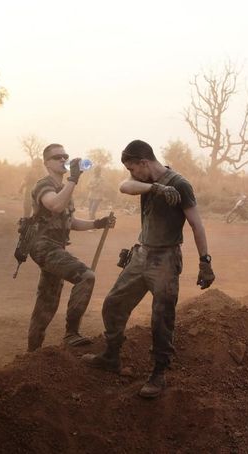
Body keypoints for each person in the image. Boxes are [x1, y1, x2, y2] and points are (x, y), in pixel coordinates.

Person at [82, 139, 216, 399]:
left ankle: (159, 373)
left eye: (133, 168)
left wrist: (205, 261)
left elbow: (196, 225)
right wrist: (154, 188)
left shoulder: (180, 184)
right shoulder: (146, 184)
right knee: (113, 303)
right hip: (142, 254)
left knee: (161, 318)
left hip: (165, 258)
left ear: (144, 162)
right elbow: (124, 186)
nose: (131, 173)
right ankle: (111, 356)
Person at [27, 143, 116, 352]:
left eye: (64, 156)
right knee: (86, 276)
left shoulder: (64, 189)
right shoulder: (44, 185)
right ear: (47, 163)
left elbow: (70, 222)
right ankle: (71, 333)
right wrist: (73, 179)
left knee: (47, 301)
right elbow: (55, 205)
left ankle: (32, 353)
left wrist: (97, 223)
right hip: (42, 245)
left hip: (56, 247)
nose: (62, 159)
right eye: (57, 157)